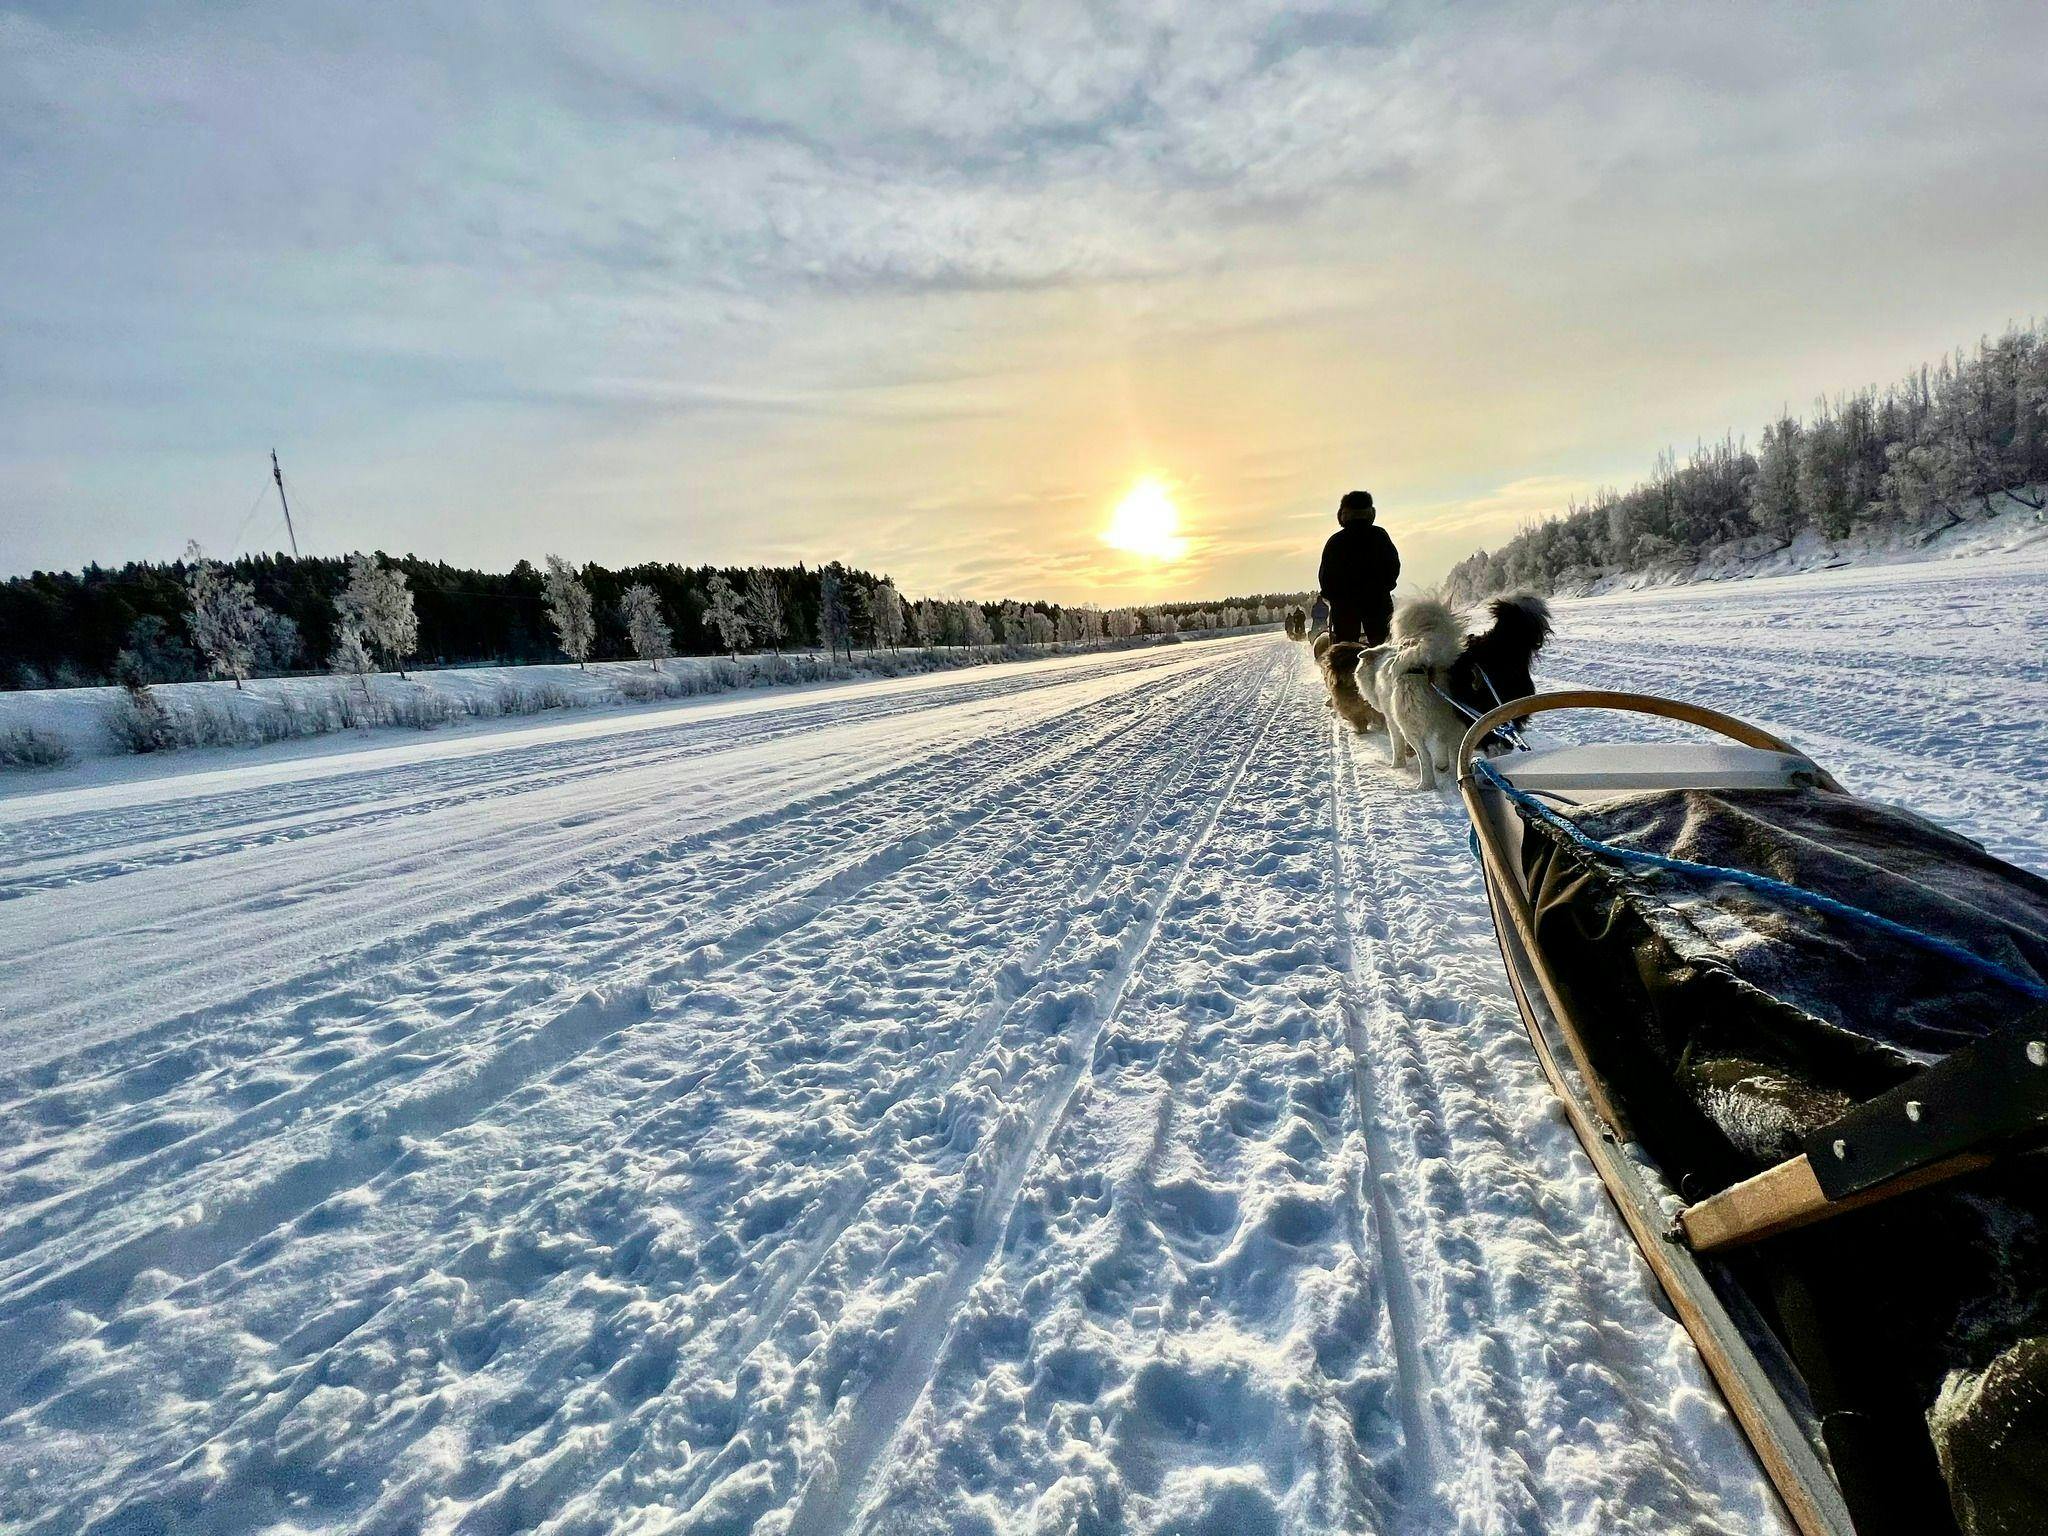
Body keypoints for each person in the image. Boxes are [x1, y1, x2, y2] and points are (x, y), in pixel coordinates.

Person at [1317, 489, 1400, 644]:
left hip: (1344, 607)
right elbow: (1393, 566)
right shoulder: (1380, 536)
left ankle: (1346, 667)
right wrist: (1384, 587)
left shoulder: (1335, 542)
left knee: (1345, 650)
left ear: (1343, 515)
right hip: (1378, 602)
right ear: (1370, 513)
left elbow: (1325, 578)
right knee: (1384, 647)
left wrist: (1334, 597)